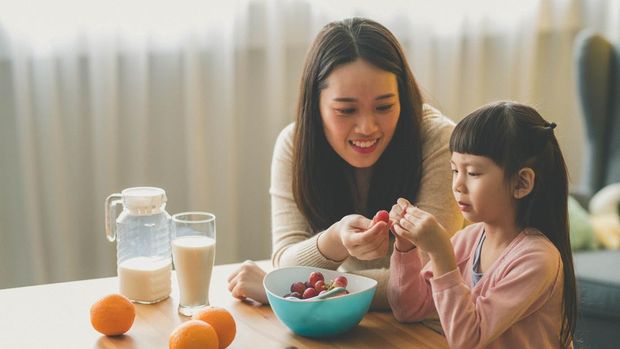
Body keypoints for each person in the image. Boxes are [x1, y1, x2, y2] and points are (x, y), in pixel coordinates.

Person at [227, 17, 463, 311]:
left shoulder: (440, 140)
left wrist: (297, 291)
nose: (367, 127)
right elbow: (284, 260)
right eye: (346, 110)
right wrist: (334, 239)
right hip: (344, 323)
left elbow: (430, 278)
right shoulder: (294, 144)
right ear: (316, 105)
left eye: (384, 106)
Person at [387, 101, 576, 348]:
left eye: (473, 173)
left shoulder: (538, 259)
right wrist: (405, 247)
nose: (457, 185)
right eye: (455, 170)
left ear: (521, 183)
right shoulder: (471, 239)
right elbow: (408, 309)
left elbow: (469, 340)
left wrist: (442, 255)